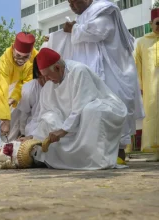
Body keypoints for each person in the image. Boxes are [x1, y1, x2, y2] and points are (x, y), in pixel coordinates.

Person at [61, 0, 144, 162]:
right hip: (98, 72)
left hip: (113, 72)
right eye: (69, 3)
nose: (71, 6)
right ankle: (98, 154)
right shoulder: (86, 15)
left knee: (116, 109)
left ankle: (119, 153)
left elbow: (99, 31)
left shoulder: (104, 10)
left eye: (74, 1)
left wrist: (74, 29)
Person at [30, 48, 127, 170]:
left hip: (104, 109)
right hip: (71, 120)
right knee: (48, 118)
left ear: (58, 68)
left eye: (48, 76)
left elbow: (82, 105)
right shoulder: (50, 84)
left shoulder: (79, 71)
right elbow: (45, 112)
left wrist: (62, 130)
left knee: (92, 110)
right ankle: (61, 160)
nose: (47, 80)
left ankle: (96, 160)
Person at [0, 32, 38, 140]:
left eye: (25, 57)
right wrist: (5, 120)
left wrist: (14, 97)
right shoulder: (4, 62)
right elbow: (1, 90)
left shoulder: (35, 58)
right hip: (1, 93)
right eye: (18, 56)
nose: (21, 60)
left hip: (19, 93)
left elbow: (27, 82)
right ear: (13, 48)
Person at [134, 7, 159, 160]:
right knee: (151, 115)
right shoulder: (142, 42)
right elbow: (137, 66)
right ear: (151, 23)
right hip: (150, 87)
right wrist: (139, 87)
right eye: (157, 23)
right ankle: (152, 150)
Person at [17, 56, 46, 141]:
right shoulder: (29, 89)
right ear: (37, 74)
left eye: (47, 76)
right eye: (42, 77)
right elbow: (24, 114)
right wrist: (22, 133)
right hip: (35, 126)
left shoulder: (56, 83)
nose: (46, 80)